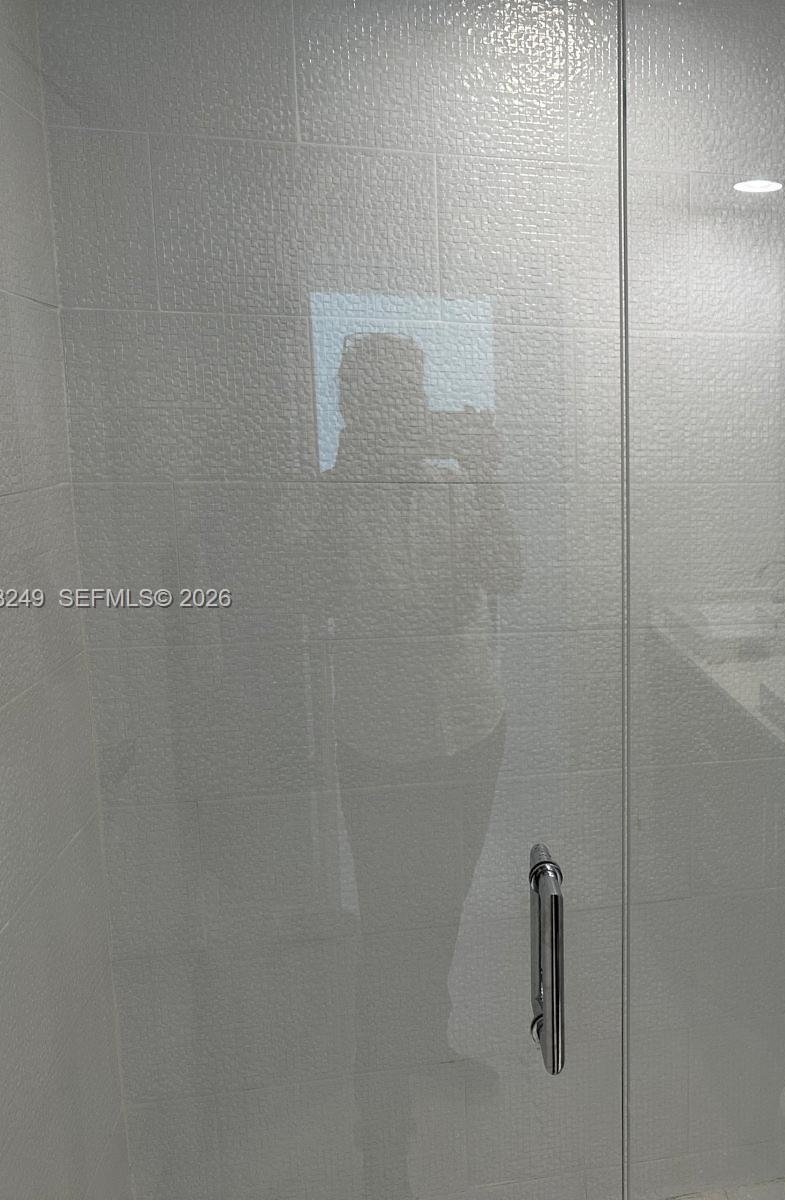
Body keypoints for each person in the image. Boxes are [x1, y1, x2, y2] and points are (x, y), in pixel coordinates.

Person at [325, 331, 520, 1197]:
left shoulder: (457, 483)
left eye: (409, 391)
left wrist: (489, 474)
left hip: (472, 728)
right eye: (379, 393)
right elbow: (317, 592)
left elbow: (508, 573)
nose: (400, 408)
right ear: (350, 404)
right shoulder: (332, 496)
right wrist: (351, 477)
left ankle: (427, 1048)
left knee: (441, 906)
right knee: (387, 928)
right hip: (383, 743)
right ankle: (381, 1134)